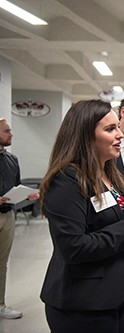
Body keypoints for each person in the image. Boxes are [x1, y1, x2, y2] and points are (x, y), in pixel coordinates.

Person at [39, 100, 124, 333]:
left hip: (121, 292)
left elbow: (114, 225)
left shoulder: (109, 175)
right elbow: (73, 246)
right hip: (84, 304)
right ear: (85, 135)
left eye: (117, 127)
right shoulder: (66, 180)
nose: (119, 135)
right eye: (110, 129)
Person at [0, 118, 39, 319]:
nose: (11, 134)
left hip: (7, 216)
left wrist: (27, 195)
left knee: (2, 263)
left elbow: (15, 186)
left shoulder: (11, 159)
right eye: (7, 131)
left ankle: (0, 305)